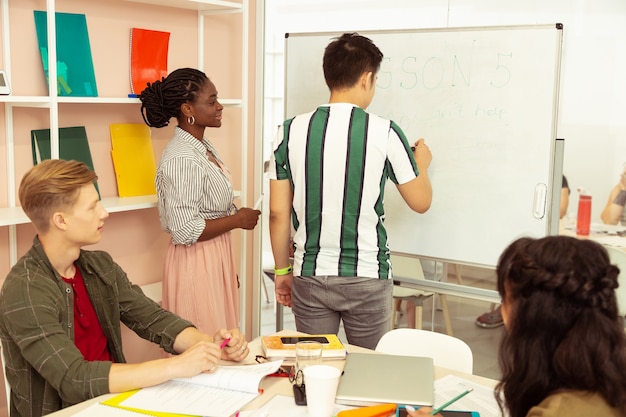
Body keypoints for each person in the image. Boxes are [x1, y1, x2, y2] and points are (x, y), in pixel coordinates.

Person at [0, 160, 249, 417]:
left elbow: (153, 319)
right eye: (92, 206)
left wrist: (209, 345)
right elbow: (74, 378)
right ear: (61, 220)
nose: (103, 212)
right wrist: (177, 366)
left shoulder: (99, 266)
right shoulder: (24, 289)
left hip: (114, 405)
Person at [268, 33, 433, 350]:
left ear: (328, 75)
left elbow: (277, 213)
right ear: (368, 78)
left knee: (314, 369)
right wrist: (421, 164)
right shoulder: (385, 131)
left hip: (309, 273)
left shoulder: (288, 131)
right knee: (369, 372)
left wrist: (282, 271)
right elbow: (421, 202)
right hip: (367, 275)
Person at [409, 235, 626, 417]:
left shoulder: (557, 411)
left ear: (533, 316)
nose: (502, 311)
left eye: (505, 299)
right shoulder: (606, 381)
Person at [139, 68, 261, 335]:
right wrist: (238, 220)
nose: (219, 107)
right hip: (195, 264)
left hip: (213, 257)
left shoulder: (201, 146)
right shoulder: (182, 157)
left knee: (223, 346)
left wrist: (224, 268)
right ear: (187, 109)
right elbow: (185, 229)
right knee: (205, 353)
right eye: (211, 101)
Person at [475, 175, 571, 328]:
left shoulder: (557, 176)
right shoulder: (518, 173)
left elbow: (560, 211)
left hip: (546, 231)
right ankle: (511, 304)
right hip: (518, 227)